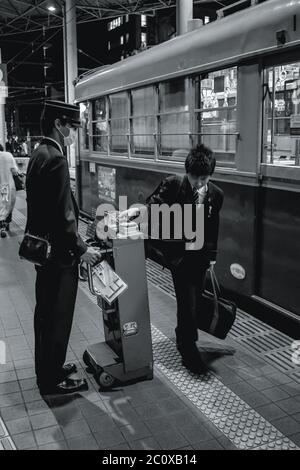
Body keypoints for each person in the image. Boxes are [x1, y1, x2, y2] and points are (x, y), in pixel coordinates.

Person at [121, 144, 224, 374]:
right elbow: (152, 205)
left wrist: (212, 256)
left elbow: (214, 226)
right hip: (178, 255)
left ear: (210, 175)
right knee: (187, 303)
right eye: (194, 177)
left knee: (194, 300)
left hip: (200, 257)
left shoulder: (216, 195)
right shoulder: (173, 184)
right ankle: (188, 350)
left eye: (203, 178)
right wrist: (132, 214)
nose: (198, 183)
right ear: (187, 172)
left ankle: (184, 336)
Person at [25, 100, 101, 395]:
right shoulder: (55, 158)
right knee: (57, 317)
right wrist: (83, 249)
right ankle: (51, 380)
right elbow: (63, 218)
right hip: (59, 256)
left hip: (43, 253)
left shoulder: (38, 154)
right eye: (71, 126)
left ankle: (47, 368)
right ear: (59, 124)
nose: (73, 132)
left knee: (44, 314)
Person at [0, 143, 18, 231]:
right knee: (8, 204)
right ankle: (6, 223)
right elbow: (15, 171)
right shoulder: (8, 155)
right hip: (8, 186)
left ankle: (1, 226)